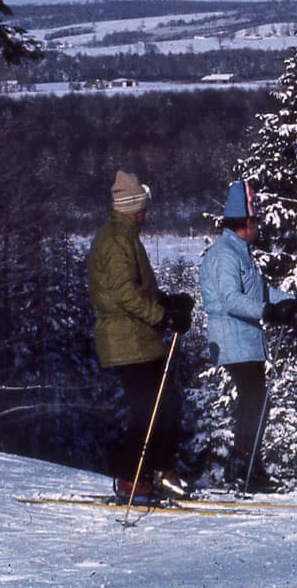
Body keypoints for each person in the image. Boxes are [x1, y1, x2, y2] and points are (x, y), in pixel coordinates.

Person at [201, 179, 297, 492]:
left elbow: (259, 292)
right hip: (232, 337)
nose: (259, 228)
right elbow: (230, 299)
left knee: (255, 401)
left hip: (245, 339)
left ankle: (247, 466)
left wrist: (292, 302)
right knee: (254, 400)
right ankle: (245, 468)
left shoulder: (241, 253)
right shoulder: (225, 254)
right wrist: (268, 311)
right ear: (247, 223)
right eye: (257, 222)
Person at [88, 170, 195, 500]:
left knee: (165, 404)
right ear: (133, 206)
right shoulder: (117, 240)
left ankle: (157, 470)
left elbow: (137, 289)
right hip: (126, 338)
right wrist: (161, 316)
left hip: (138, 336)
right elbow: (124, 293)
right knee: (148, 409)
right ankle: (132, 476)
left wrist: (166, 301)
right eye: (143, 208)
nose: (146, 214)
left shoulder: (125, 236)